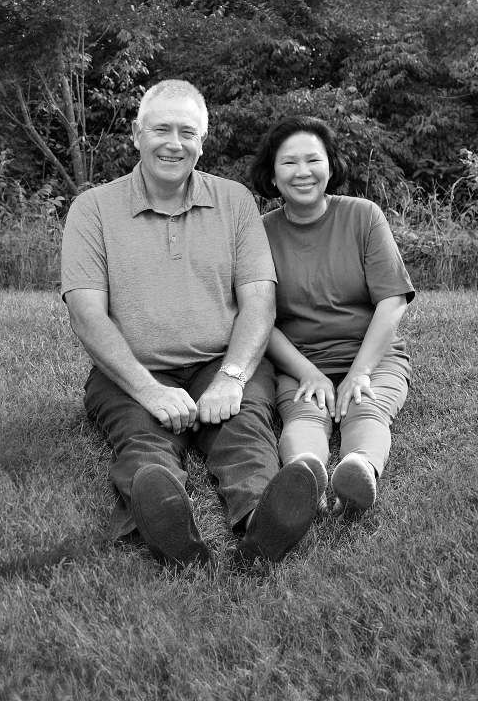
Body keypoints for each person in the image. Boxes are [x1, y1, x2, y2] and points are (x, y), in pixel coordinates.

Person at [60, 80, 321, 567]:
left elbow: (260, 298)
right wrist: (149, 390)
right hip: (131, 370)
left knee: (243, 431)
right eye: (161, 129)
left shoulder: (235, 201)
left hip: (221, 361)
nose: (173, 143)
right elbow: (85, 313)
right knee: (144, 438)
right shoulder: (92, 209)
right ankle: (163, 522)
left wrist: (233, 375)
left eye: (187, 132)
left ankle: (264, 521)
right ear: (137, 134)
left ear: (203, 140)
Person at [249, 115, 415, 515]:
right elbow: (257, 318)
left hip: (373, 354)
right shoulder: (257, 233)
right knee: (305, 412)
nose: (302, 172)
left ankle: (360, 468)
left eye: (313, 160)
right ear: (272, 175)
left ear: (331, 165)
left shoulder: (363, 216)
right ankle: (305, 475)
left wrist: (359, 371)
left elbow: (392, 299)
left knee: (366, 406)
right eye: (289, 163)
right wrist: (307, 372)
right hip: (299, 359)